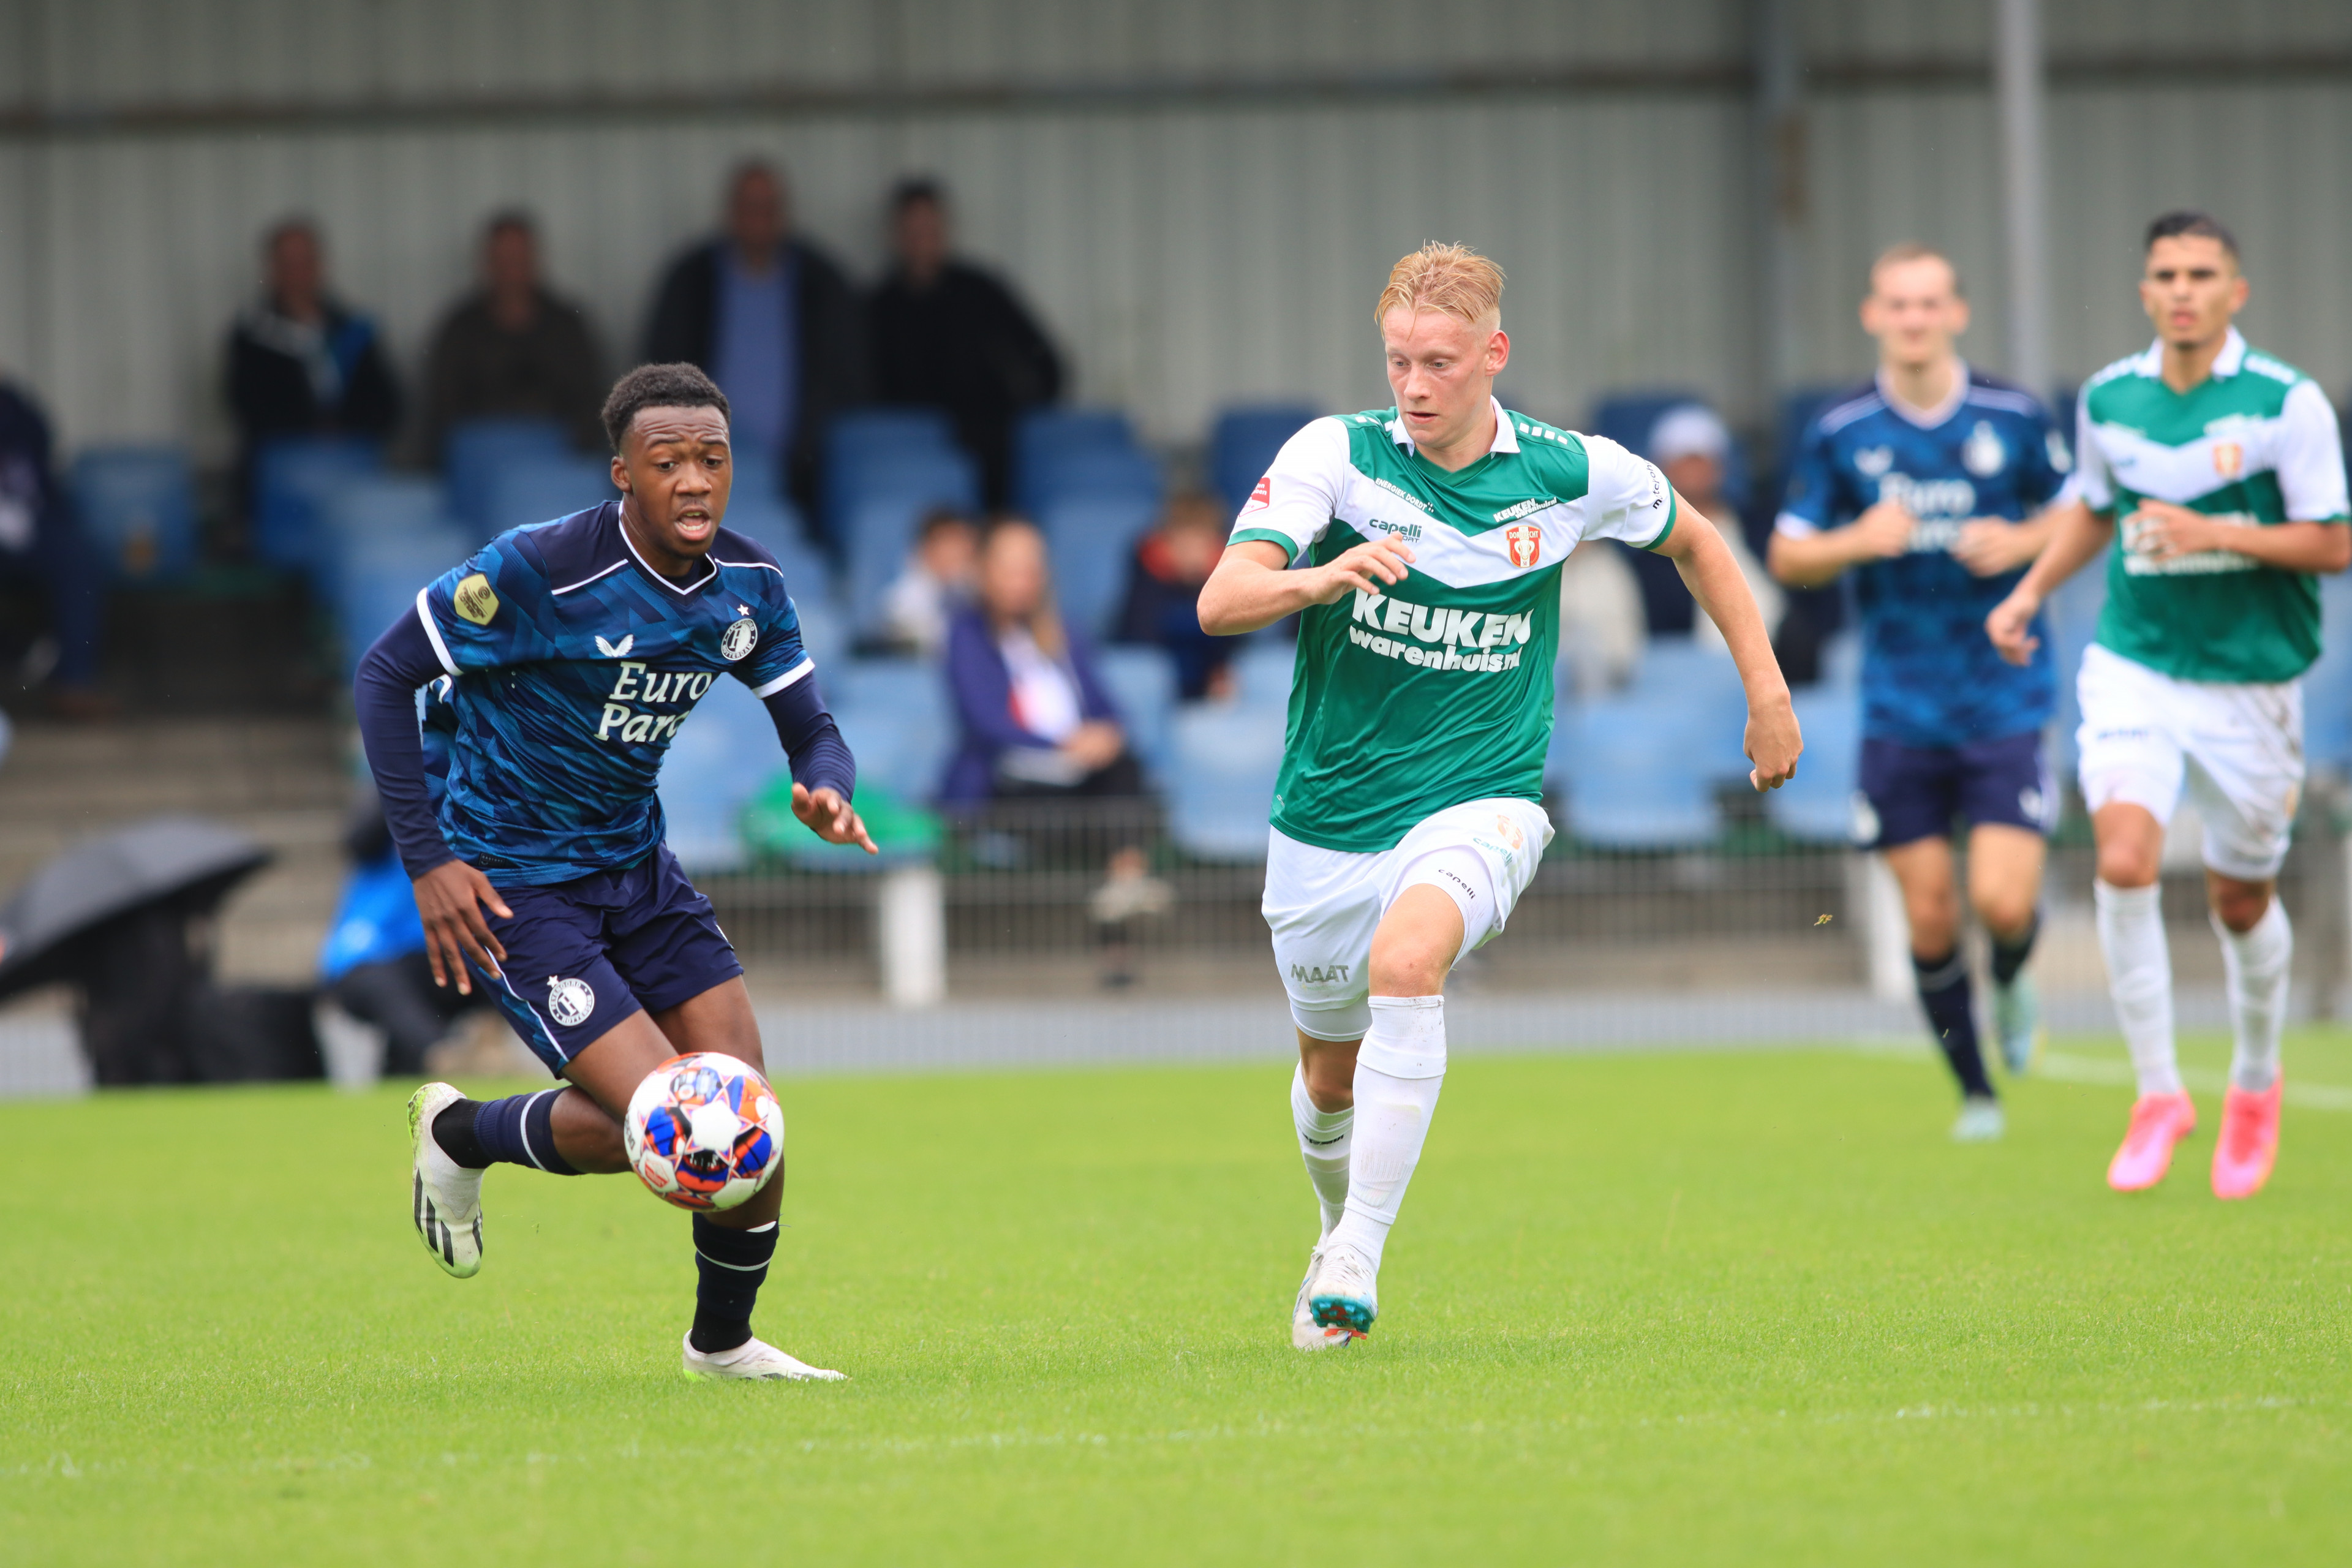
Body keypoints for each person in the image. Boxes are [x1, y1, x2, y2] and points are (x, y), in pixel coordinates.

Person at [1197, 243, 1798, 1351]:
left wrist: (1765, 691)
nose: (1414, 388)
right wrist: (1315, 577)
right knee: (1328, 1078)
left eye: (1437, 363)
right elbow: (1221, 599)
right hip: (1327, 817)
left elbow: (1701, 545)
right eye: (1397, 363)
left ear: (1492, 355)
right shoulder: (1338, 454)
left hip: (1485, 796)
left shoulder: (1571, 473)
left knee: (1410, 965)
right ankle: (1334, 1229)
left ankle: (1359, 1257)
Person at [354, 361, 877, 1380]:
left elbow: (814, 731)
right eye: (667, 461)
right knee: (686, 1141)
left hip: (638, 868)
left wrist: (825, 786)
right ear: (623, 476)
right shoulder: (535, 571)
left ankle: (720, 1348)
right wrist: (428, 860)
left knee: (746, 1126)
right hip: (515, 882)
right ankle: (460, 1133)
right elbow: (386, 674)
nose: (693, 481)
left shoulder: (750, 588)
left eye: (712, 460)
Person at [1988, 212, 2351, 1199]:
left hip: (2251, 684)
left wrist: (2207, 531)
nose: (2183, 289)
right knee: (2122, 856)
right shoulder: (2109, 399)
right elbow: (2094, 512)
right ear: (2145, 292)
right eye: (2165, 274)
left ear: (2237, 291)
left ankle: (2256, 1081)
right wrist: (2025, 591)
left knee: (2241, 901)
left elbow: (2331, 542)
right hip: (2136, 661)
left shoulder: (2287, 403)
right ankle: (2158, 1093)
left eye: (2202, 273)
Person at [1767, 243, 2071, 1142]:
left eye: (1929, 303)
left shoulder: (2012, 416)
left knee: (2004, 903)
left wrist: (2022, 544)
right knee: (1932, 912)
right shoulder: (1842, 430)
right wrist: (1857, 539)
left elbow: (2081, 512)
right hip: (1900, 708)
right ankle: (1977, 1093)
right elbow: (1788, 553)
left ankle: (2013, 977)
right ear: (1873, 316)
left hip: (2004, 696)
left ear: (1957, 314)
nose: (1913, 318)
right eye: (1898, 304)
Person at [643, 162, 868, 513]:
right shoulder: (691, 280)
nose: (759, 218)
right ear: (730, 213)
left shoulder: (821, 282)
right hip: (699, 470)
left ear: (784, 214)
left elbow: (848, 375)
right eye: (750, 207)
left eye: (769, 208)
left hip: (805, 475)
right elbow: (658, 373)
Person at [868, 178, 1064, 507]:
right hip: (909, 454)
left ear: (945, 229)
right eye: (912, 229)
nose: (921, 239)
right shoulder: (878, 306)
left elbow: (1047, 363)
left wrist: (1021, 412)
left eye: (929, 227)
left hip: (987, 450)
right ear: (896, 234)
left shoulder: (981, 291)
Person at [941, 516, 1141, 804]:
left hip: (1077, 771)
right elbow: (986, 723)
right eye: (1011, 570)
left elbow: (1106, 707)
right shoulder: (967, 635)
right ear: (984, 571)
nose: (1023, 581)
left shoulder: (1065, 635)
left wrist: (1107, 735)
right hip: (1009, 778)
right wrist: (1064, 743)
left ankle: (1125, 851)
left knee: (1126, 772)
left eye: (1031, 570)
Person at [226, 220, 401, 496]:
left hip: (350, 469)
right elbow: (248, 406)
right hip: (282, 476)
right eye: (288, 263)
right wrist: (311, 433)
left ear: (320, 264)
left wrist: (343, 431)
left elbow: (386, 403)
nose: (298, 273)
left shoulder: (356, 330)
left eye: (305, 261)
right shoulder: (252, 336)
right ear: (272, 268)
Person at [320, 788, 484, 1079]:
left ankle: (484, 1046)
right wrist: (407, 777)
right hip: (367, 956)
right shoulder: (399, 807)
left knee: (496, 959)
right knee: (390, 990)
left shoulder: (465, 809)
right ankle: (442, 1056)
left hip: (433, 952)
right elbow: (359, 839)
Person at [418, 211, 606, 459]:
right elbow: (440, 414)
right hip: (480, 463)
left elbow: (592, 407)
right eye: (503, 260)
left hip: (556, 465)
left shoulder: (567, 327)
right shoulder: (460, 329)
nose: (511, 270)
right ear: (486, 263)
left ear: (535, 260)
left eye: (519, 259)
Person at [0, 373, 107, 718]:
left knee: (77, 556)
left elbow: (42, 460)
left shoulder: (13, 403)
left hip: (29, 522)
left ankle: (74, 684)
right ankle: (17, 649)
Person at [1651, 404, 1784, 651]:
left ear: (1720, 467)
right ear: (1661, 470)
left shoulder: (1762, 526)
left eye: (1700, 462)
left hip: (1785, 659)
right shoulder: (1649, 553)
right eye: (1682, 463)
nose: (1692, 473)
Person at [1114, 491, 1236, 700]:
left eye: (1201, 543)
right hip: (1154, 688)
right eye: (1184, 542)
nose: (1193, 553)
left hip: (1208, 691)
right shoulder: (1146, 578)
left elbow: (1234, 642)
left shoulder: (1230, 577)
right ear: (1167, 543)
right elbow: (1139, 634)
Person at [870, 507, 978, 657]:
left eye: (965, 543)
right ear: (927, 548)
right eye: (951, 543)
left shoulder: (972, 590)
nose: (962, 553)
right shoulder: (899, 602)